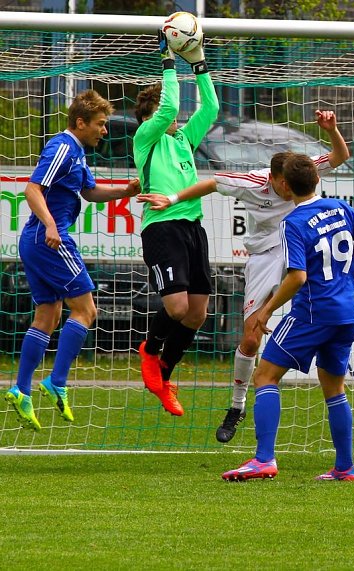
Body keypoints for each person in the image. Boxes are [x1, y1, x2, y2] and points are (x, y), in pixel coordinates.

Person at [136, 111, 349, 442]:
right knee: (250, 338)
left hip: (299, 252)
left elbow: (339, 156)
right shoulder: (254, 182)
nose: (290, 190)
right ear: (275, 180)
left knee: (323, 306)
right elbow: (210, 182)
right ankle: (236, 407)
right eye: (284, 186)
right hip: (265, 256)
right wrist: (173, 198)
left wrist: (332, 129)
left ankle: (329, 384)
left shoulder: (299, 172)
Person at [222, 153, 354, 482]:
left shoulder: (293, 222)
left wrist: (266, 309)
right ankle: (344, 467)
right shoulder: (341, 208)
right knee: (334, 388)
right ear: (317, 180)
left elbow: (297, 277)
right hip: (345, 314)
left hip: (312, 313)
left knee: (265, 377)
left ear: (285, 185)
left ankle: (264, 459)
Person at [4, 90, 140, 430]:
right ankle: (57, 382)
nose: (104, 131)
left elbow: (89, 192)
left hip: (36, 241)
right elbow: (32, 189)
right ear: (80, 123)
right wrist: (51, 225)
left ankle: (21, 390)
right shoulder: (63, 147)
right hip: (48, 239)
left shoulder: (76, 151)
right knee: (87, 310)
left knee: (48, 315)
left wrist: (125, 192)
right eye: (100, 124)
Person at [133, 28, 219, 416]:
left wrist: (198, 62)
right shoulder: (146, 138)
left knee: (199, 312)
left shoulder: (182, 139)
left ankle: (165, 373)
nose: (174, 116)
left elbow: (212, 109)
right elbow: (168, 109)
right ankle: (150, 353)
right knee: (178, 306)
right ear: (148, 118)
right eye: (164, 113)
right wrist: (168, 59)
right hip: (162, 226)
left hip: (192, 228)